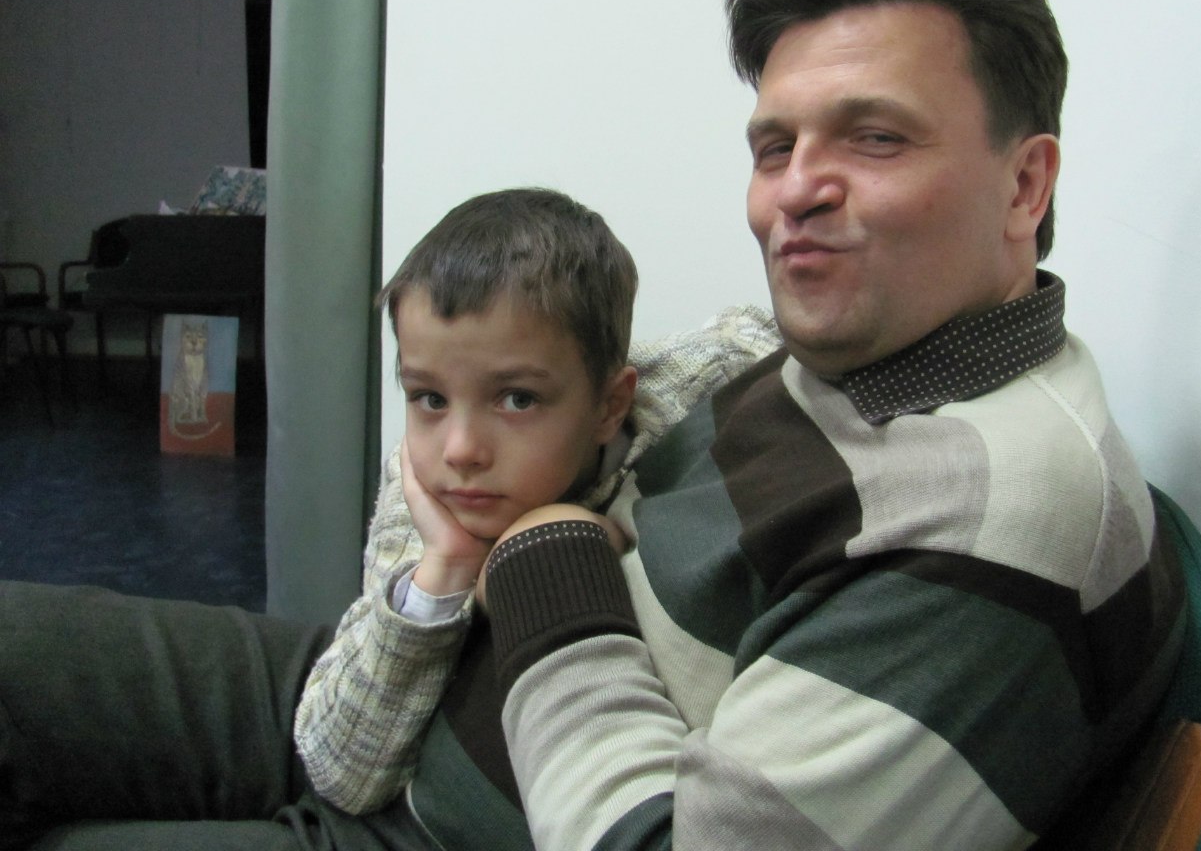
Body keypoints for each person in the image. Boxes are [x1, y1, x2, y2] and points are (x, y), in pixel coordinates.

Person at [464, 0, 1186, 851]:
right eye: (774, 149)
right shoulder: (869, 355)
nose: (794, 192)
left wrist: (540, 556)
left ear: (1024, 187)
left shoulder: (990, 516)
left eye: (875, 138)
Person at [0, 187, 778, 849]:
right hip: (383, 745)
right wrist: (443, 573)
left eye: (516, 398)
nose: (461, 449)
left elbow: (756, 336)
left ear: (610, 405)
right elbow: (343, 771)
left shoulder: (668, 400)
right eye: (428, 397)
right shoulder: (424, 502)